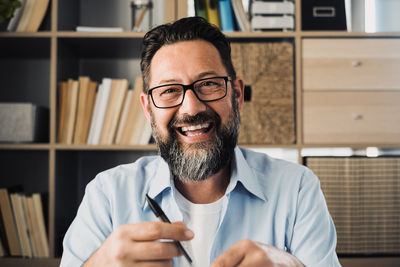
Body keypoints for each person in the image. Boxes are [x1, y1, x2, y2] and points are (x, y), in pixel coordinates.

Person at [60, 17, 340, 267]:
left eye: (208, 84)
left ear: (237, 95)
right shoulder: (107, 195)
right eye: (169, 90)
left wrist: (291, 266)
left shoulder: (297, 189)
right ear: (148, 109)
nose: (191, 108)